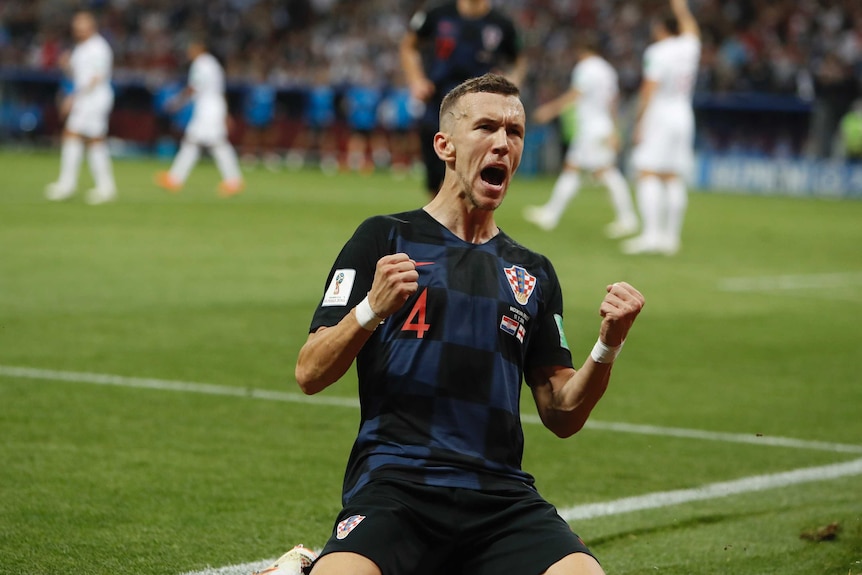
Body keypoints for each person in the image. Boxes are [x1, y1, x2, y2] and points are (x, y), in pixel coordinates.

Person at [293, 74, 644, 575]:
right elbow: (310, 372)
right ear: (445, 145)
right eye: (485, 127)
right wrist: (370, 309)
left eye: (515, 132)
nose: (503, 142)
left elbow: (561, 414)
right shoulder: (383, 238)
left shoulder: (533, 272)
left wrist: (607, 346)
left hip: (501, 499)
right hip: (397, 489)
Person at [400, 0, 526, 196]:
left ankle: (466, 218)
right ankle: (440, 216)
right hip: (439, 101)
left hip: (481, 105)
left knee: (474, 166)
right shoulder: (437, 14)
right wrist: (416, 80)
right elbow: (409, 45)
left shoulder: (501, 24)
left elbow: (519, 58)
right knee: (435, 169)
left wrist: (511, 83)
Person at [523, 34, 638, 238]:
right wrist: (615, 128)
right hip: (600, 126)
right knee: (574, 169)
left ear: (582, 50)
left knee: (605, 172)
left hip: (591, 129)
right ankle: (551, 214)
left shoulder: (586, 68)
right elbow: (613, 102)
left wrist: (549, 109)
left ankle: (628, 218)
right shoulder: (607, 70)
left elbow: (575, 94)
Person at [623, 0, 701, 255]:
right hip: (683, 113)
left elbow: (649, 89)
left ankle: (651, 235)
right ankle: (671, 239)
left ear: (661, 28)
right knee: (672, 176)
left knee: (647, 172)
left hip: (660, 114)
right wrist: (681, 7)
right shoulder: (690, 46)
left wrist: (639, 121)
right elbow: (692, 28)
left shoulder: (657, 51)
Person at [155, 38, 244, 197]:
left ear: (200, 48)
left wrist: (177, 102)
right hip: (212, 106)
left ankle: (233, 181)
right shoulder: (213, 64)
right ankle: (175, 178)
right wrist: (226, 112)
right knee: (194, 142)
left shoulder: (201, 64)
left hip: (208, 108)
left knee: (216, 144)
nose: (189, 52)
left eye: (191, 48)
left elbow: (193, 87)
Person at [45, 10, 117, 205]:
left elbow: (97, 77)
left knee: (76, 136)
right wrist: (66, 65)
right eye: (76, 26)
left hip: (94, 99)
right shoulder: (81, 48)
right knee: (92, 141)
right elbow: (76, 74)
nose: (77, 30)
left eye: (81, 26)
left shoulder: (98, 48)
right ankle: (103, 186)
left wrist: (73, 97)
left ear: (91, 26)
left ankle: (69, 184)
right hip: (86, 98)